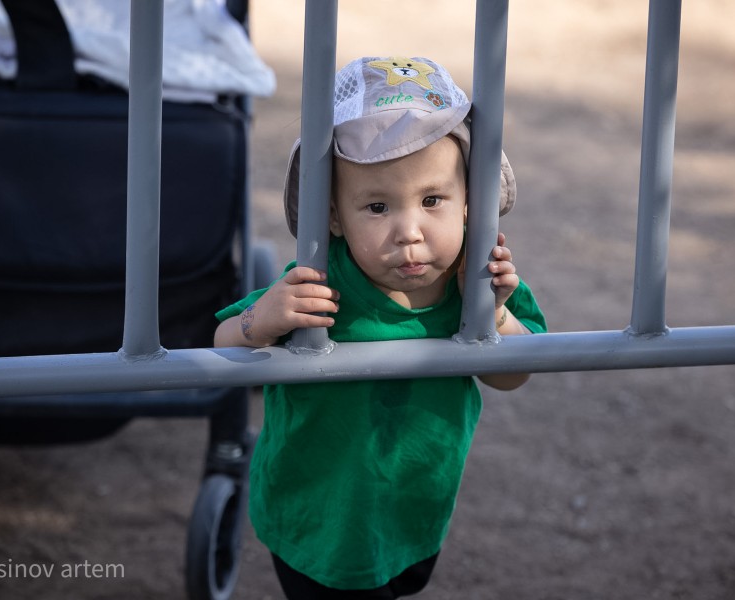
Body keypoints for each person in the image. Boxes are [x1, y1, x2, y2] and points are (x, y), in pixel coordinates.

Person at [214, 56, 547, 599]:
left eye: (433, 200)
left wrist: (494, 315)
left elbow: (515, 375)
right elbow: (222, 349)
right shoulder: (321, 282)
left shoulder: (478, 279)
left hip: (415, 510)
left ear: (468, 204)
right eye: (376, 206)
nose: (409, 232)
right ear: (336, 216)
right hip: (317, 518)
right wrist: (263, 319)